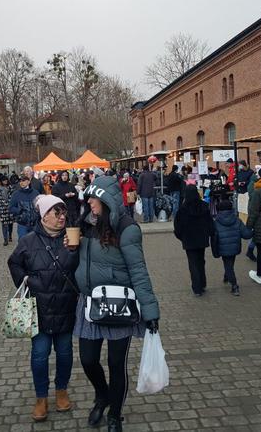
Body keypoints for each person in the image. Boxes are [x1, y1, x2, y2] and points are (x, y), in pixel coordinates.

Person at [74, 176, 159, 432]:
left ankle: (115, 414)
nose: (88, 202)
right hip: (89, 303)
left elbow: (139, 270)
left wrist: (150, 310)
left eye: (93, 197)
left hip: (119, 304)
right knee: (88, 360)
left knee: (115, 364)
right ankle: (102, 395)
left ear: (106, 199)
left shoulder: (127, 228)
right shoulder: (86, 224)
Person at [8, 195, 79, 422]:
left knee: (65, 353)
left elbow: (81, 266)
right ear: (44, 215)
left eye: (63, 213)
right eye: (56, 213)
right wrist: (27, 280)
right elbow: (14, 263)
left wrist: (76, 249)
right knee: (40, 355)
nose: (61, 218)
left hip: (66, 305)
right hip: (39, 308)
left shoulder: (72, 239)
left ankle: (61, 390)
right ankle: (41, 397)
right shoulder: (28, 241)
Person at [174, 185, 214, 297]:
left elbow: (178, 227)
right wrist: (209, 234)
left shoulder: (182, 209)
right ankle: (202, 283)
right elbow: (210, 223)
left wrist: (181, 237)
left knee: (193, 263)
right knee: (201, 261)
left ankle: (197, 288)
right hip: (202, 239)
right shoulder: (204, 206)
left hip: (189, 240)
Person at [212, 200, 252, 296]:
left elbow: (213, 236)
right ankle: (227, 276)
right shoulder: (237, 220)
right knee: (230, 263)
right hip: (235, 247)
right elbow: (246, 234)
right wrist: (252, 230)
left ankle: (234, 285)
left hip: (222, 247)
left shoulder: (216, 221)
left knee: (228, 265)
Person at [9, 174, 40, 240]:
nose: (21, 182)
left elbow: (40, 206)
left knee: (35, 242)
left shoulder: (36, 193)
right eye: (20, 181)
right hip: (22, 224)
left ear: (28, 182)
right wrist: (19, 210)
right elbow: (11, 208)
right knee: (23, 243)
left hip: (34, 223)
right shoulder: (16, 194)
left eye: (23, 180)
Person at [0, 174, 15, 246]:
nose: (5, 181)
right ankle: (5, 239)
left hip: (10, 208)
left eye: (6, 180)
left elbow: (13, 198)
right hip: (1, 208)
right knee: (4, 224)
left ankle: (10, 235)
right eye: (3, 180)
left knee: (10, 224)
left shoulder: (10, 188)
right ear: (1, 181)